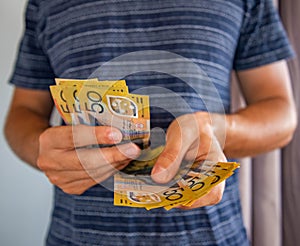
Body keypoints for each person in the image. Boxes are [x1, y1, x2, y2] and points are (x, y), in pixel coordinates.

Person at [4, 0, 297, 245]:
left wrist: (216, 129)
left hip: (212, 235)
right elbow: (23, 112)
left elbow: (281, 113)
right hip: (74, 235)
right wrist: (40, 149)